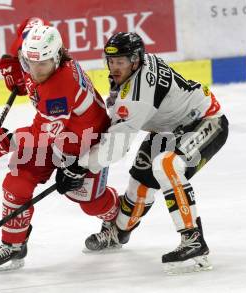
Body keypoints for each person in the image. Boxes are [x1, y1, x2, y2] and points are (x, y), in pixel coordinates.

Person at [0, 23, 120, 272]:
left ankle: (118, 218)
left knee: (87, 200)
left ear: (57, 57)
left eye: (42, 63)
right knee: (17, 181)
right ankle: (14, 246)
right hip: (57, 134)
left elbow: (41, 135)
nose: (35, 70)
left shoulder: (59, 89)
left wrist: (4, 142)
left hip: (84, 142)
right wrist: (12, 59)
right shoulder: (38, 54)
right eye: (29, 63)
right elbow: (28, 23)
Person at [79, 32, 229, 274]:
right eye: (112, 61)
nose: (115, 67)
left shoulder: (138, 94)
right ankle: (118, 233)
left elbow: (116, 147)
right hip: (169, 129)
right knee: (140, 183)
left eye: (121, 62)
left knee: (167, 165)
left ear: (136, 60)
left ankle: (194, 240)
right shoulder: (135, 69)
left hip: (207, 122)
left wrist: (80, 166)